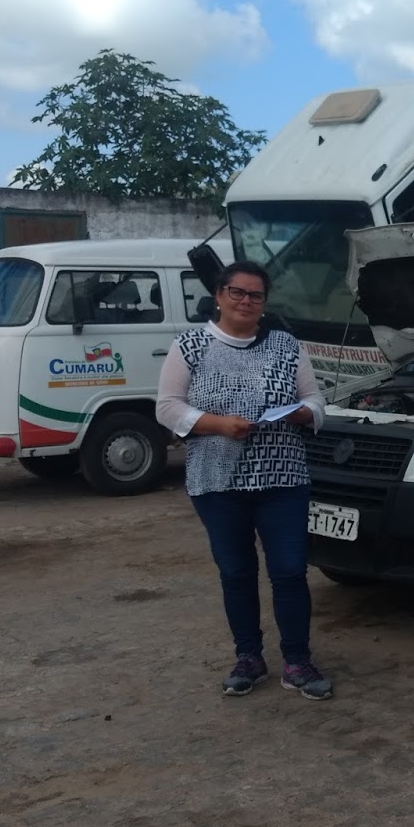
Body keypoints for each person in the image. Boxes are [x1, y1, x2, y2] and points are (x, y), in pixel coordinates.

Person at [156, 260, 333, 700]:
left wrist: (302, 413)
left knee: (289, 572)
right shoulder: (191, 345)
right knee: (236, 572)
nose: (246, 301)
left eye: (256, 295)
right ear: (219, 296)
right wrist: (218, 425)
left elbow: (316, 401)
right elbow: (167, 407)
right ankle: (248, 658)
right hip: (217, 481)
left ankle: (298, 661)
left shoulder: (286, 345)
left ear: (264, 303)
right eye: (237, 292)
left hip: (283, 479)